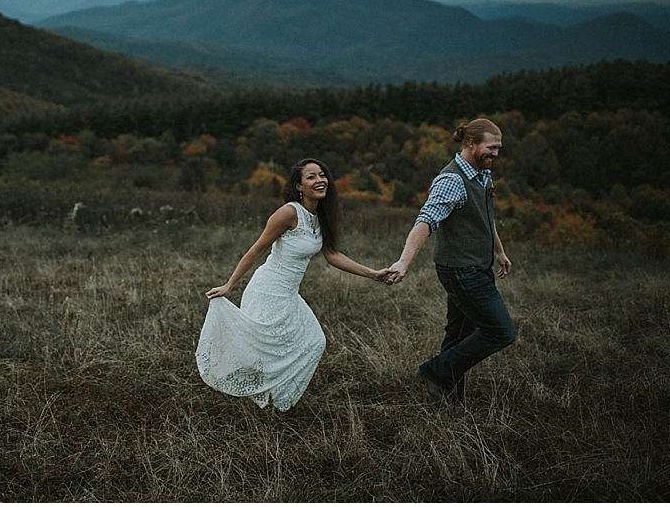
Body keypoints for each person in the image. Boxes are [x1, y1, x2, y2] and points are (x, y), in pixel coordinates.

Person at [195, 158, 390, 411]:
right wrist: (229, 285)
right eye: (311, 177)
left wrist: (373, 274)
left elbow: (332, 255)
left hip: (289, 293)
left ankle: (276, 398)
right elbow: (257, 250)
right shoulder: (288, 213)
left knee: (314, 342)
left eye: (322, 175)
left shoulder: (320, 217)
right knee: (264, 350)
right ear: (299, 186)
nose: (319, 180)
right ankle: (255, 400)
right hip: (267, 289)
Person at [385, 118, 516, 404]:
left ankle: (449, 399)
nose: (496, 154)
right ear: (471, 144)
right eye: (491, 148)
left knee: (458, 334)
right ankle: (435, 372)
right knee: (501, 331)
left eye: (498, 148)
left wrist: (499, 252)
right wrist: (404, 262)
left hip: (477, 267)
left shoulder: (482, 175)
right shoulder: (452, 180)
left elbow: (485, 219)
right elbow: (426, 220)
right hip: (461, 271)